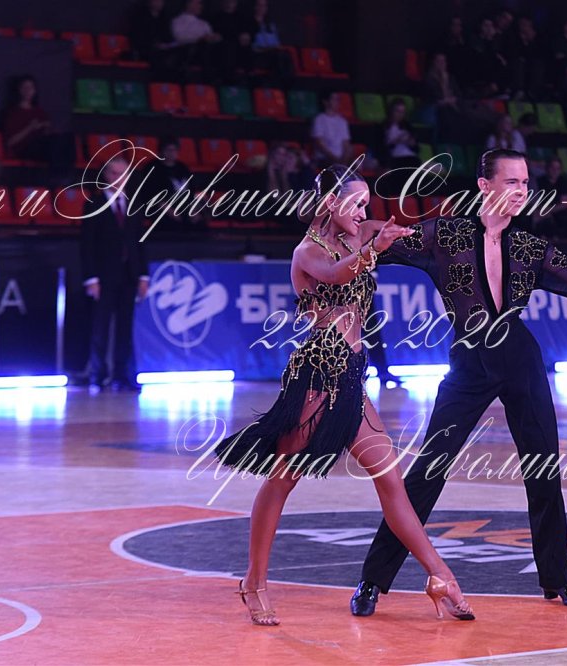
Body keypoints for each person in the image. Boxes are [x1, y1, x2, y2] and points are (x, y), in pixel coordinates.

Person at [349, 149, 567, 616]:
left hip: (520, 359)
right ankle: (373, 580)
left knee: (543, 471)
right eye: (511, 182)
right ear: (484, 186)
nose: (521, 191)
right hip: (469, 364)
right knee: (427, 471)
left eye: (524, 183)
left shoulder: (530, 247)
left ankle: (559, 580)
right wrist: (341, 230)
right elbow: (377, 242)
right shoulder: (445, 236)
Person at [213, 165, 475, 626]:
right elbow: (336, 274)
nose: (362, 212)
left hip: (353, 376)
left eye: (366, 204)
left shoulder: (364, 232)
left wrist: (463, 221)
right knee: (283, 480)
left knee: (391, 481)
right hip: (317, 376)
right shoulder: (307, 252)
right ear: (331, 202)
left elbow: (416, 234)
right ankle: (253, 582)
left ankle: (441, 577)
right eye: (355, 203)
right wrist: (375, 247)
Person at [79, 156, 150, 392]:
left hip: (129, 275)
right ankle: (97, 374)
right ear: (106, 176)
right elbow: (87, 244)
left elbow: (140, 242)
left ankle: (123, 374)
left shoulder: (133, 204)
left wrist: (143, 276)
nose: (119, 179)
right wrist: (91, 278)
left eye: (123, 174)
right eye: (114, 174)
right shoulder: (94, 204)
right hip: (104, 276)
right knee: (100, 327)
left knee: (125, 327)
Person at [1, 75, 75, 184]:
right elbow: (10, 142)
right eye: (25, 87)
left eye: (31, 88)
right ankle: (57, 179)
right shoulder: (12, 113)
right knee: (53, 146)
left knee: (66, 139)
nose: (28, 91)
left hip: (44, 147)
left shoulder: (40, 112)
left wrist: (46, 128)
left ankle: (66, 179)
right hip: (24, 149)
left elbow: (47, 135)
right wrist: (29, 128)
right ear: (19, 90)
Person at [310, 91, 352, 168]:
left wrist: (343, 161)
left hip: (341, 160)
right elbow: (320, 144)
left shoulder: (342, 121)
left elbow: (346, 144)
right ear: (326, 102)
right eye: (334, 99)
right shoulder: (319, 119)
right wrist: (335, 159)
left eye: (337, 99)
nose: (337, 102)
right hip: (325, 159)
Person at [381, 98, 419, 170]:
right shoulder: (382, 126)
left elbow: (416, 148)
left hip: (410, 157)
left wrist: (412, 143)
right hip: (394, 159)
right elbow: (381, 148)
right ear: (391, 111)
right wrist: (397, 141)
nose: (400, 115)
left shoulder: (408, 126)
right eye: (397, 111)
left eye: (402, 112)